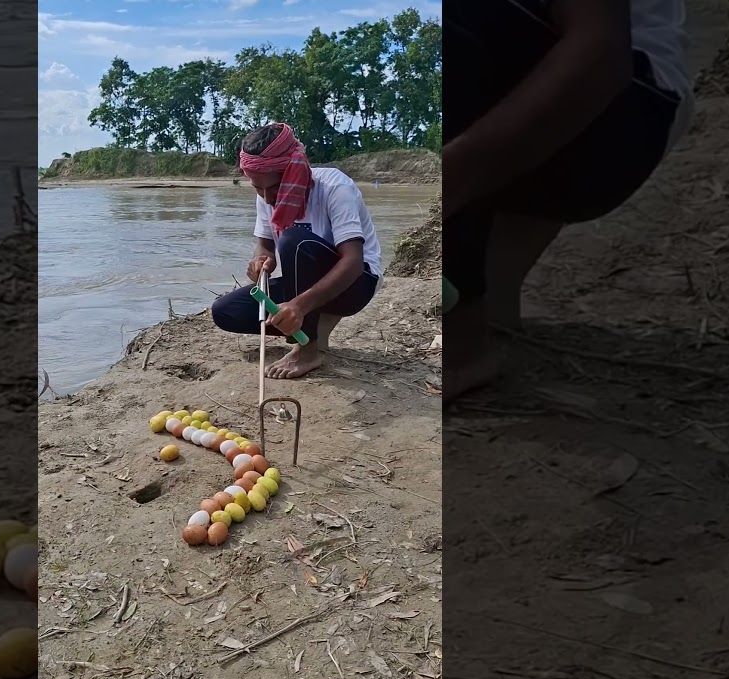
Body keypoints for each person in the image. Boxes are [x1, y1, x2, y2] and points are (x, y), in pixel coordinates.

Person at [443, 0, 694, 399]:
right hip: (550, 76)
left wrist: (447, 181)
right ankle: (489, 293)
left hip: (629, 103)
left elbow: (600, 51)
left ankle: (459, 340)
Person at [210, 123, 384, 379]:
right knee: (226, 311)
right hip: (305, 284)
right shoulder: (266, 194)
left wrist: (299, 306)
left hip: (356, 284)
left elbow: (354, 262)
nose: (268, 198)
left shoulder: (335, 187)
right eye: (258, 188)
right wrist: (262, 262)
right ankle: (313, 324)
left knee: (294, 240)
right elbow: (266, 245)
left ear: (294, 171)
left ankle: (309, 347)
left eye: (274, 188)